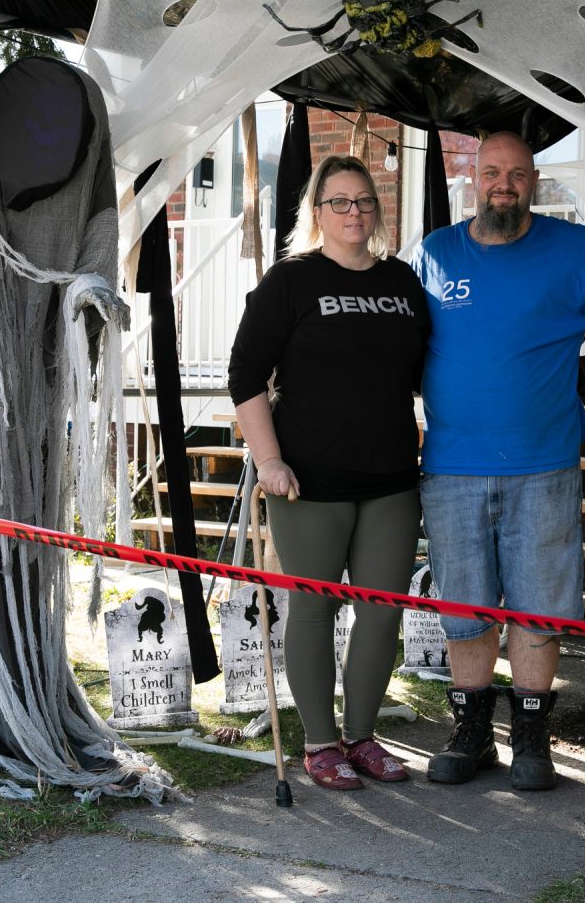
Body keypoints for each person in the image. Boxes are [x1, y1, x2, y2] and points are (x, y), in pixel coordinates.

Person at [411, 131, 585, 790]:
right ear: (474, 177)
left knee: (540, 602)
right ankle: (471, 732)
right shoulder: (435, 252)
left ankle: (531, 736)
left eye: (518, 174)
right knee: (466, 605)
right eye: (492, 172)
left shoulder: (573, 249)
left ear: (534, 180)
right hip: (451, 463)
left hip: (544, 459)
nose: (504, 184)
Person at [228, 154, 429, 791]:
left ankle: (363, 736)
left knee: (381, 612)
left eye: (363, 200)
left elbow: (428, 370)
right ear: (317, 213)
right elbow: (244, 377)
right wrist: (269, 460)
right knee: (313, 610)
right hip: (308, 479)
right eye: (338, 202)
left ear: (377, 208)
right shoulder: (291, 282)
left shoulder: (402, 282)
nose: (353, 212)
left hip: (392, 478)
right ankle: (320, 743)